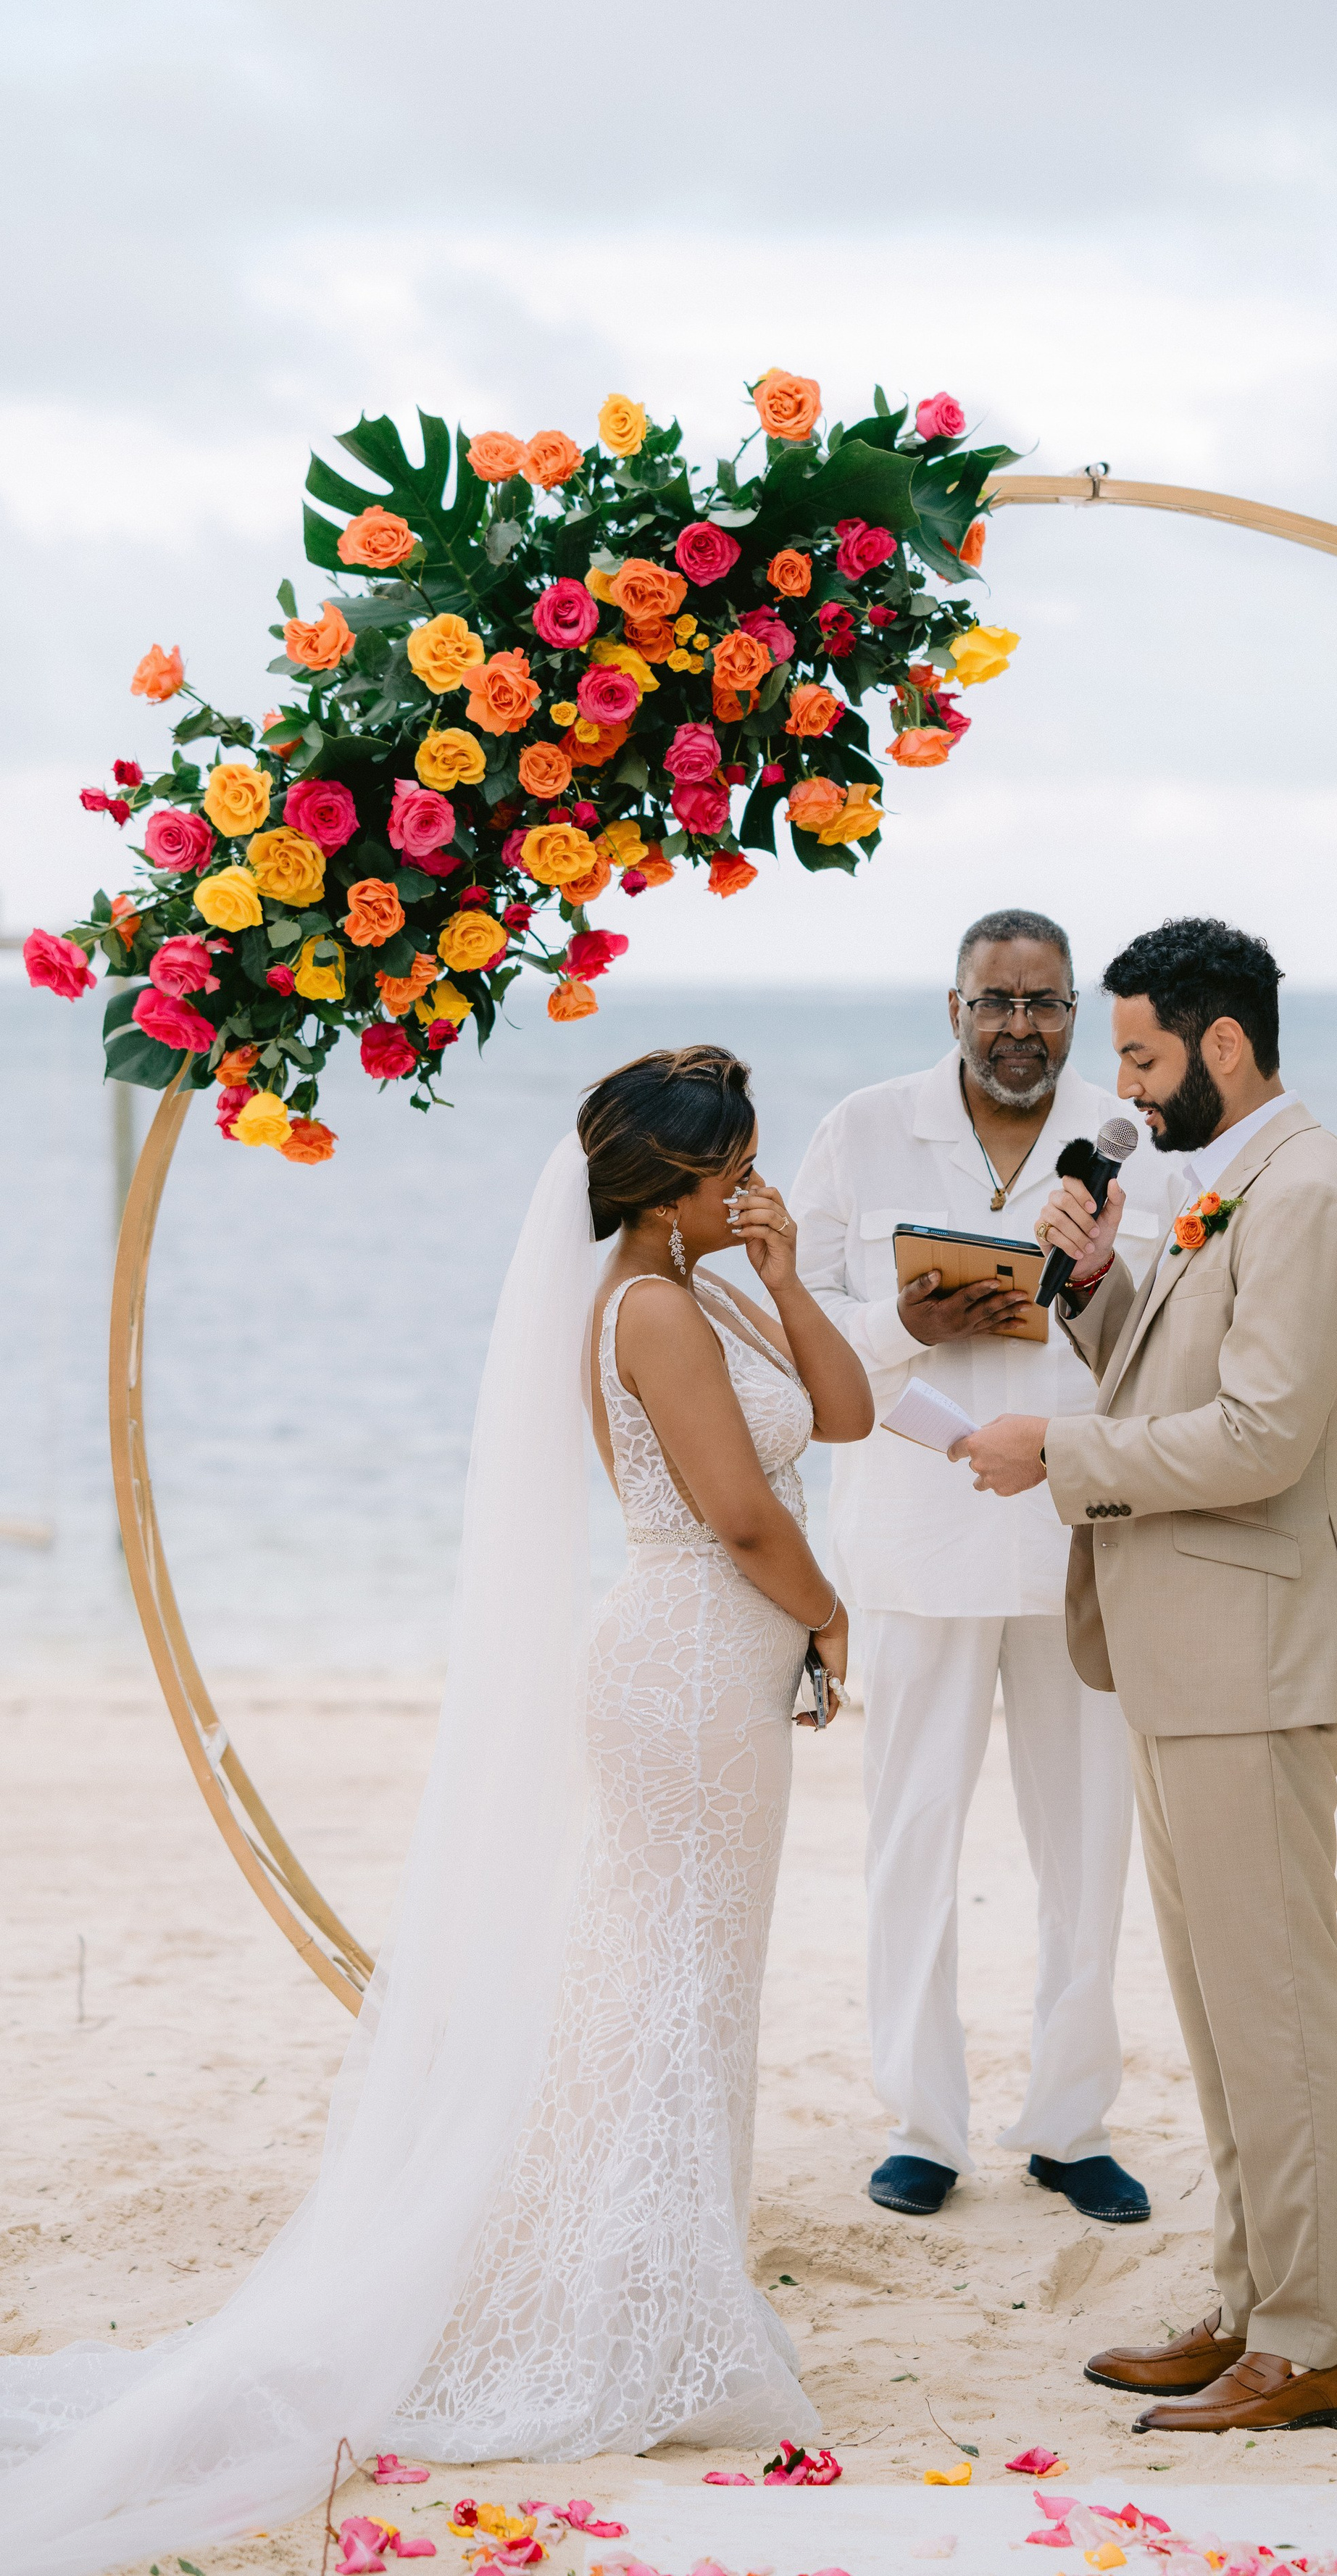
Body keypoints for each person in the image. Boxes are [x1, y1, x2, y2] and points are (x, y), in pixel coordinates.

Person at [0, 1046, 873, 2571]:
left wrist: (792, 1279)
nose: (753, 1178)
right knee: (665, 1984)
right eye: (730, 1162)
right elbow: (737, 1514)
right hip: (681, 1665)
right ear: (663, 1182)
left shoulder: (721, 1284)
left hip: (721, 1671)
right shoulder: (650, 1304)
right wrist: (831, 1614)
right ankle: (637, 2310)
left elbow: (844, 1418)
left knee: (689, 1985)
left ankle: (662, 2284)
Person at [956, 918, 1337, 2438]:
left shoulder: (1311, 1194)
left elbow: (1262, 1439)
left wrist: (1056, 1453)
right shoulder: (1224, 1189)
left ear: (1225, 1043)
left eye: (1142, 1057)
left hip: (1256, 1655)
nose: (1126, 1095)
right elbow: (1189, 1384)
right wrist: (1092, 1295)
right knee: (1220, 2013)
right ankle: (1250, 2298)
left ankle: (1314, 2337)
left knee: (1273, 2007)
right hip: (1183, 1653)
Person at [791, 908, 1170, 2226]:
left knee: (1088, 1848)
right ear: (951, 1005)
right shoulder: (865, 1126)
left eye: (1047, 1003)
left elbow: (1165, 1349)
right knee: (912, 1840)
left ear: (1077, 1012)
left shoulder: (1136, 1147)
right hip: (916, 1533)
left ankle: (1071, 2123)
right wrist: (906, 1322)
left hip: (1082, 1539)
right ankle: (923, 2121)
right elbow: (801, 1323)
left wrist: (1098, 1274)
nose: (1022, 1026)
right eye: (996, 1000)